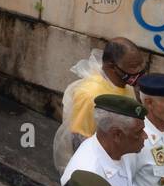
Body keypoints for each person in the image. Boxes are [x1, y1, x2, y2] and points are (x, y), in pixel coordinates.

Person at [52, 39, 147, 171]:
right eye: (133, 66)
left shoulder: (127, 86)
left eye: (141, 65)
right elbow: (79, 139)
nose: (139, 71)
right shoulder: (89, 95)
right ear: (112, 66)